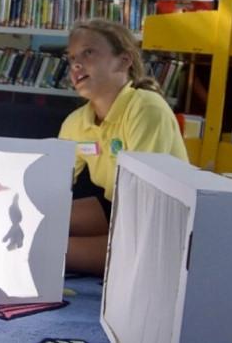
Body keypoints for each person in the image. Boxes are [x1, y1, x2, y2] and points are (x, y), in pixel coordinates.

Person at [59, 18, 188, 277]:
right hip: (117, 210)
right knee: (32, 224)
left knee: (41, 245)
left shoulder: (146, 107)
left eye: (89, 52)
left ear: (124, 60)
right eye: (71, 57)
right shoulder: (76, 122)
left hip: (158, 225)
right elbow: (53, 184)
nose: (76, 64)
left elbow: (145, 198)